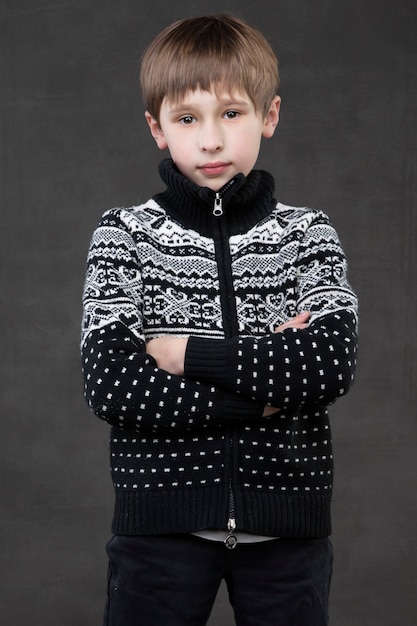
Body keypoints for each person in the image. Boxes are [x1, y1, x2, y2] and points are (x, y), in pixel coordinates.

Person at [81, 13, 358, 626]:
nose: (210, 140)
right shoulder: (124, 237)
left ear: (270, 115)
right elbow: (112, 384)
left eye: (231, 113)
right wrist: (258, 398)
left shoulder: (307, 235)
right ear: (157, 128)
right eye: (187, 119)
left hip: (287, 531)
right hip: (159, 529)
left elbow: (327, 365)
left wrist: (183, 353)